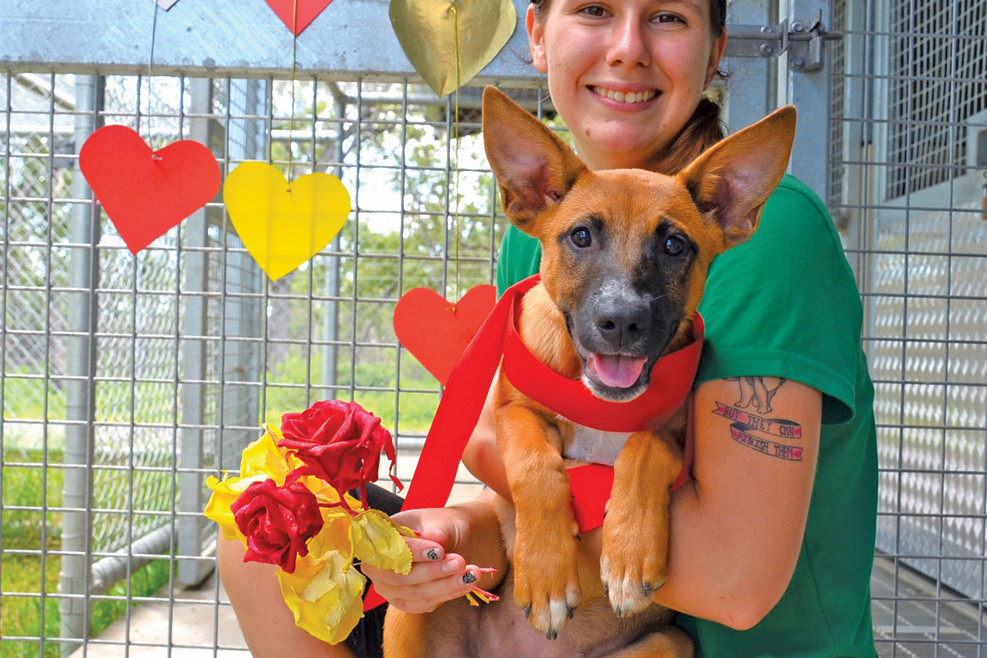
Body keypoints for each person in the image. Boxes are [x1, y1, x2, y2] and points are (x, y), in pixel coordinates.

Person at [218, 0, 879, 656]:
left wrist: (577, 494)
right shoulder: (548, 235)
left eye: (667, 16)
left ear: (714, 50)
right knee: (268, 520)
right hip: (528, 615)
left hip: (661, 641)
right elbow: (491, 447)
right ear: (536, 35)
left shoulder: (767, 239)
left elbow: (732, 585)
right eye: (594, 9)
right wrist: (455, 530)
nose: (627, 47)